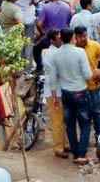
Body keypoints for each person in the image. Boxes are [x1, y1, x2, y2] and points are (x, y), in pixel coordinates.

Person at [49, 26, 94, 165]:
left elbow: (53, 79)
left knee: (70, 123)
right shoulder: (80, 52)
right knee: (85, 123)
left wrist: (55, 96)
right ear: (73, 38)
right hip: (81, 91)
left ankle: (76, 153)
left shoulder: (55, 55)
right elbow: (87, 75)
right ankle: (82, 154)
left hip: (66, 93)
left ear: (61, 39)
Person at [40, 29, 70, 158]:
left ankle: (66, 144)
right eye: (58, 39)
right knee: (57, 120)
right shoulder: (50, 54)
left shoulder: (56, 52)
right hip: (54, 91)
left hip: (60, 89)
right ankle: (58, 147)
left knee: (63, 119)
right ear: (52, 40)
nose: (61, 40)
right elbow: (53, 75)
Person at [74, 26, 100, 141]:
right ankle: (84, 139)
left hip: (93, 86)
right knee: (82, 114)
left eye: (84, 36)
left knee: (96, 111)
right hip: (79, 88)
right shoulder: (72, 48)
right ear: (75, 37)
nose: (83, 39)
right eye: (80, 37)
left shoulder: (94, 45)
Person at [36, 0, 72, 69]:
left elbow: (39, 24)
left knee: (36, 48)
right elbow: (68, 23)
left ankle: (39, 67)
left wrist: (42, 33)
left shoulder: (45, 7)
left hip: (48, 38)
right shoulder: (67, 6)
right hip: (63, 38)